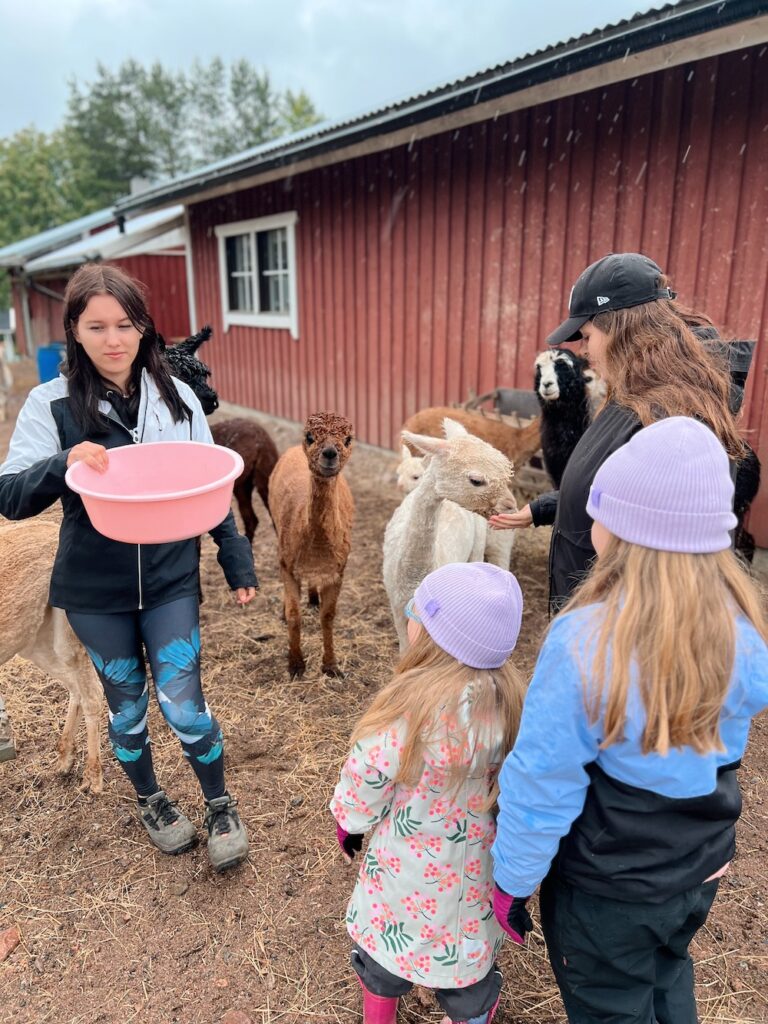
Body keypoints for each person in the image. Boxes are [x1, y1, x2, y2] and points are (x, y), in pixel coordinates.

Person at [491, 417, 768, 1024]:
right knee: (667, 971)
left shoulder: (583, 642)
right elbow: (725, 750)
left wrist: (512, 878)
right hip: (698, 870)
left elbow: (543, 779)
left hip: (607, 891)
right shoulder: (740, 627)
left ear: (618, 528)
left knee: (611, 1005)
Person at [0, 263, 257, 872]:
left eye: (125, 324)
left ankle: (220, 804)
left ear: (143, 327)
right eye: (96, 327)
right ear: (75, 330)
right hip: (94, 588)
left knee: (184, 703)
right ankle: (152, 800)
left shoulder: (177, 398)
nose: (113, 339)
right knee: (127, 707)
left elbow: (209, 483)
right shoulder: (50, 403)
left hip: (170, 577)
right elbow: (9, 495)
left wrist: (235, 556)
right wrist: (63, 461)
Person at [490, 252, 744, 611]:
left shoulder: (672, 424)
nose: (584, 350)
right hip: (589, 611)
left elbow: (670, 569)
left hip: (614, 624)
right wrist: (545, 508)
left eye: (587, 335)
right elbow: (615, 487)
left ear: (622, 331)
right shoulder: (631, 394)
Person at [330, 562, 526, 1024]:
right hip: (473, 878)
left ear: (436, 636)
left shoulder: (408, 710)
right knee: (466, 976)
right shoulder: (515, 706)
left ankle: (379, 1016)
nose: (409, 618)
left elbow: (367, 773)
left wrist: (348, 822)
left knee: (383, 958)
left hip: (403, 875)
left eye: (415, 612)